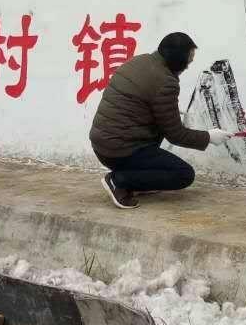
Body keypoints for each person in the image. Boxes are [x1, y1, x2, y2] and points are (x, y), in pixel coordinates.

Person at [89, 32, 232, 208]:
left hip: (102, 145)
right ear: (178, 60)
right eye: (188, 61)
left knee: (156, 147)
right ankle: (119, 181)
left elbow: (138, 102)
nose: (188, 66)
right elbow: (176, 135)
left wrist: (168, 110)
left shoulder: (140, 61)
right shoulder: (165, 82)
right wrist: (209, 137)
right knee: (183, 174)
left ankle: (138, 182)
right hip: (120, 150)